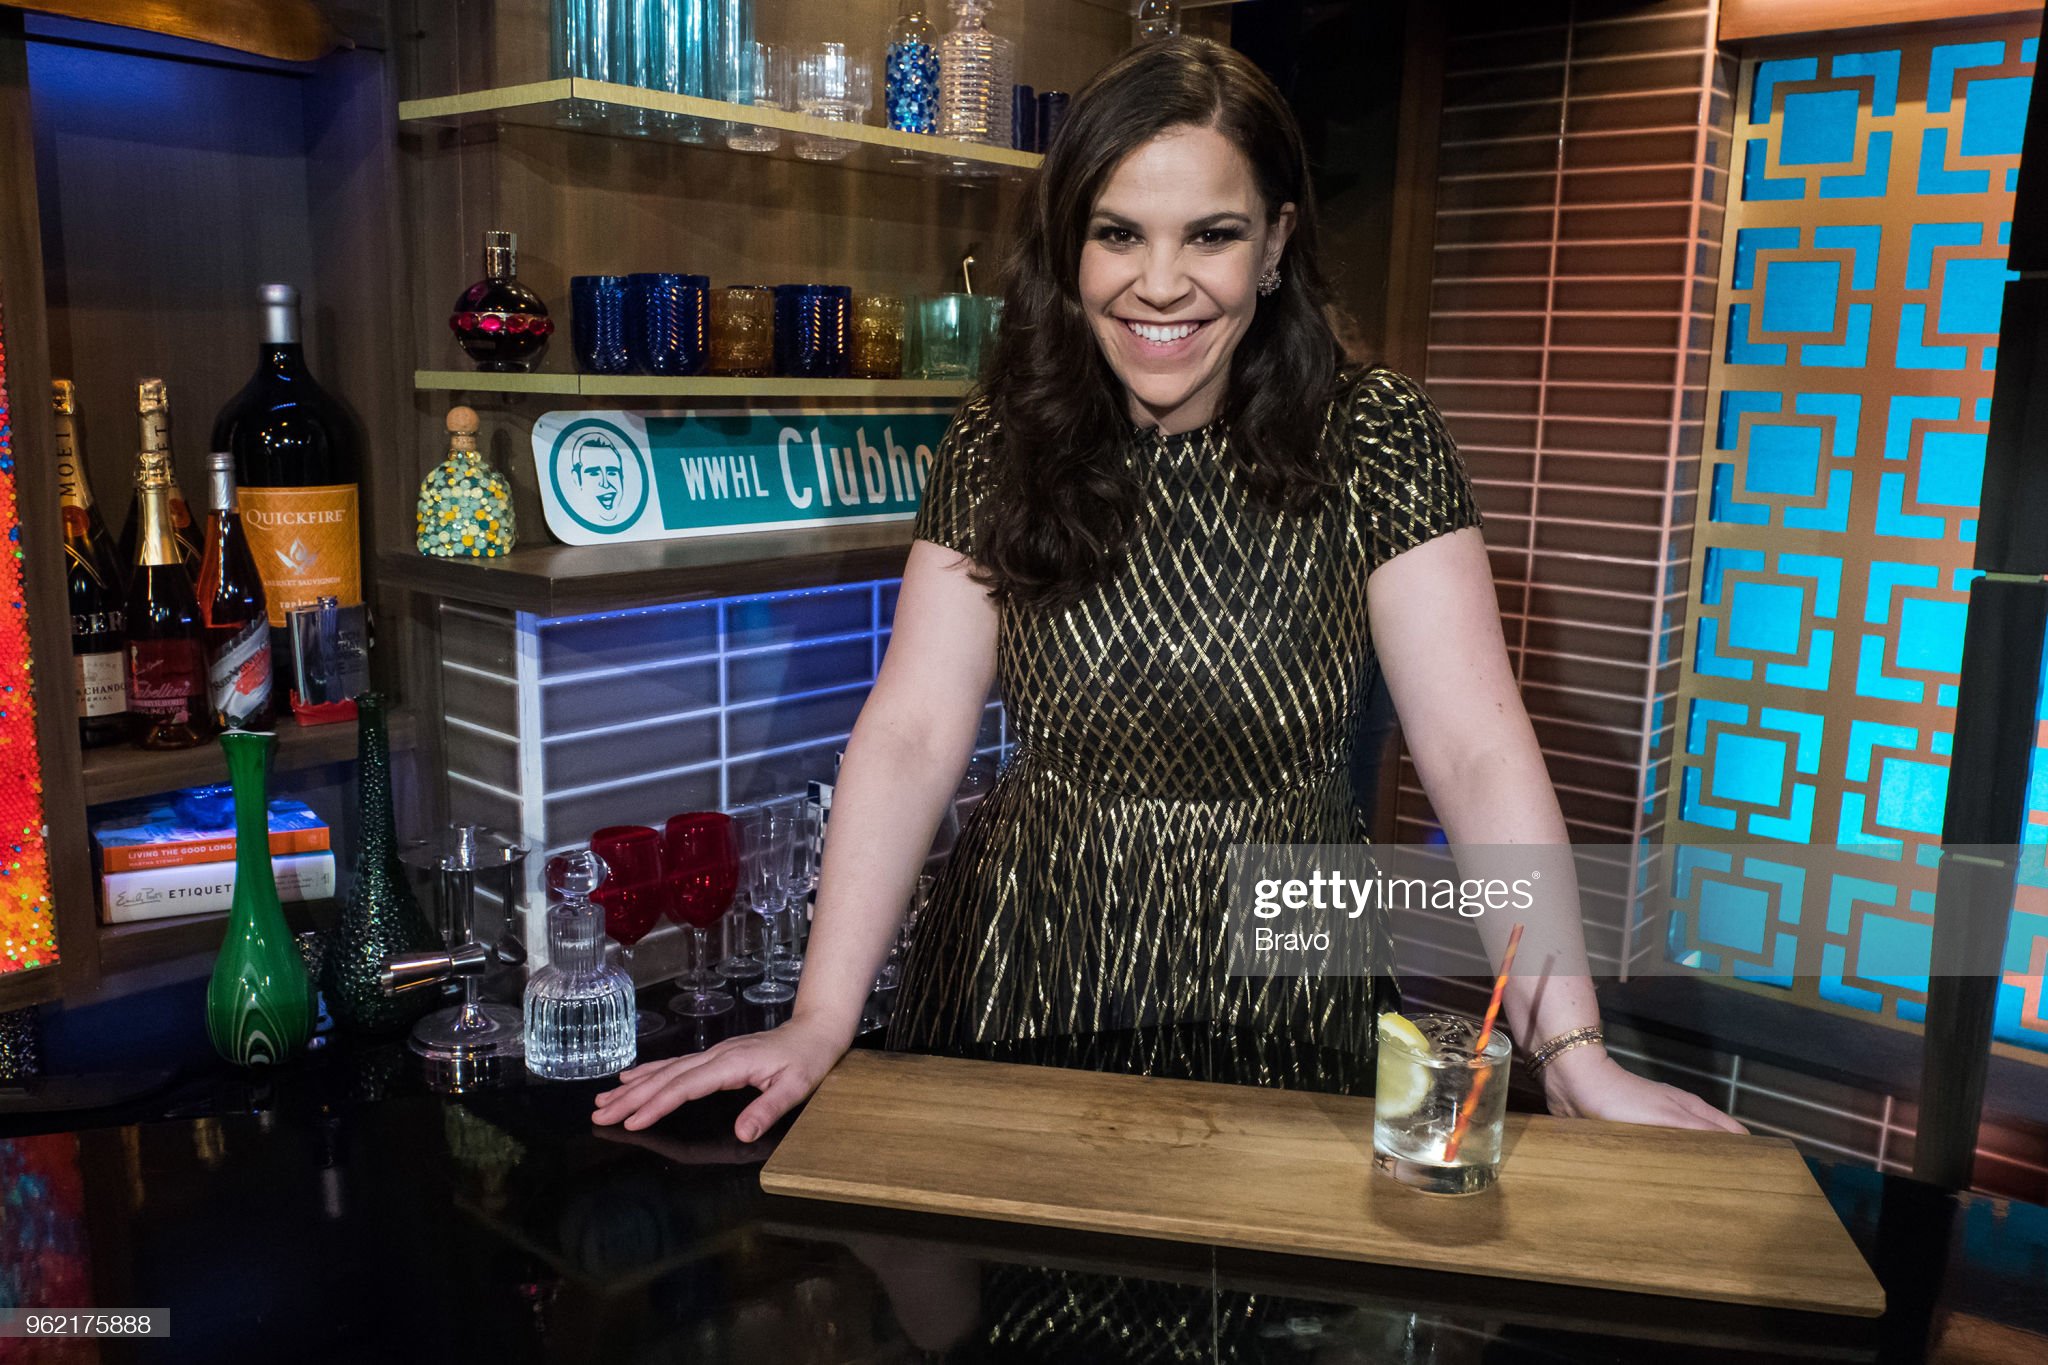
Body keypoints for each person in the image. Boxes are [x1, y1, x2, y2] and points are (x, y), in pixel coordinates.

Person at [595, 37, 1742, 1141]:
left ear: (1276, 243)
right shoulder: (1003, 439)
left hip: (1289, 976)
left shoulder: (1377, 436)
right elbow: (909, 732)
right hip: (1019, 965)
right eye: (1116, 234)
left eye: (1210, 235)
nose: (1159, 286)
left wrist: (1573, 1052)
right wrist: (818, 1017)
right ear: (1068, 247)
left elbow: (1474, 752)